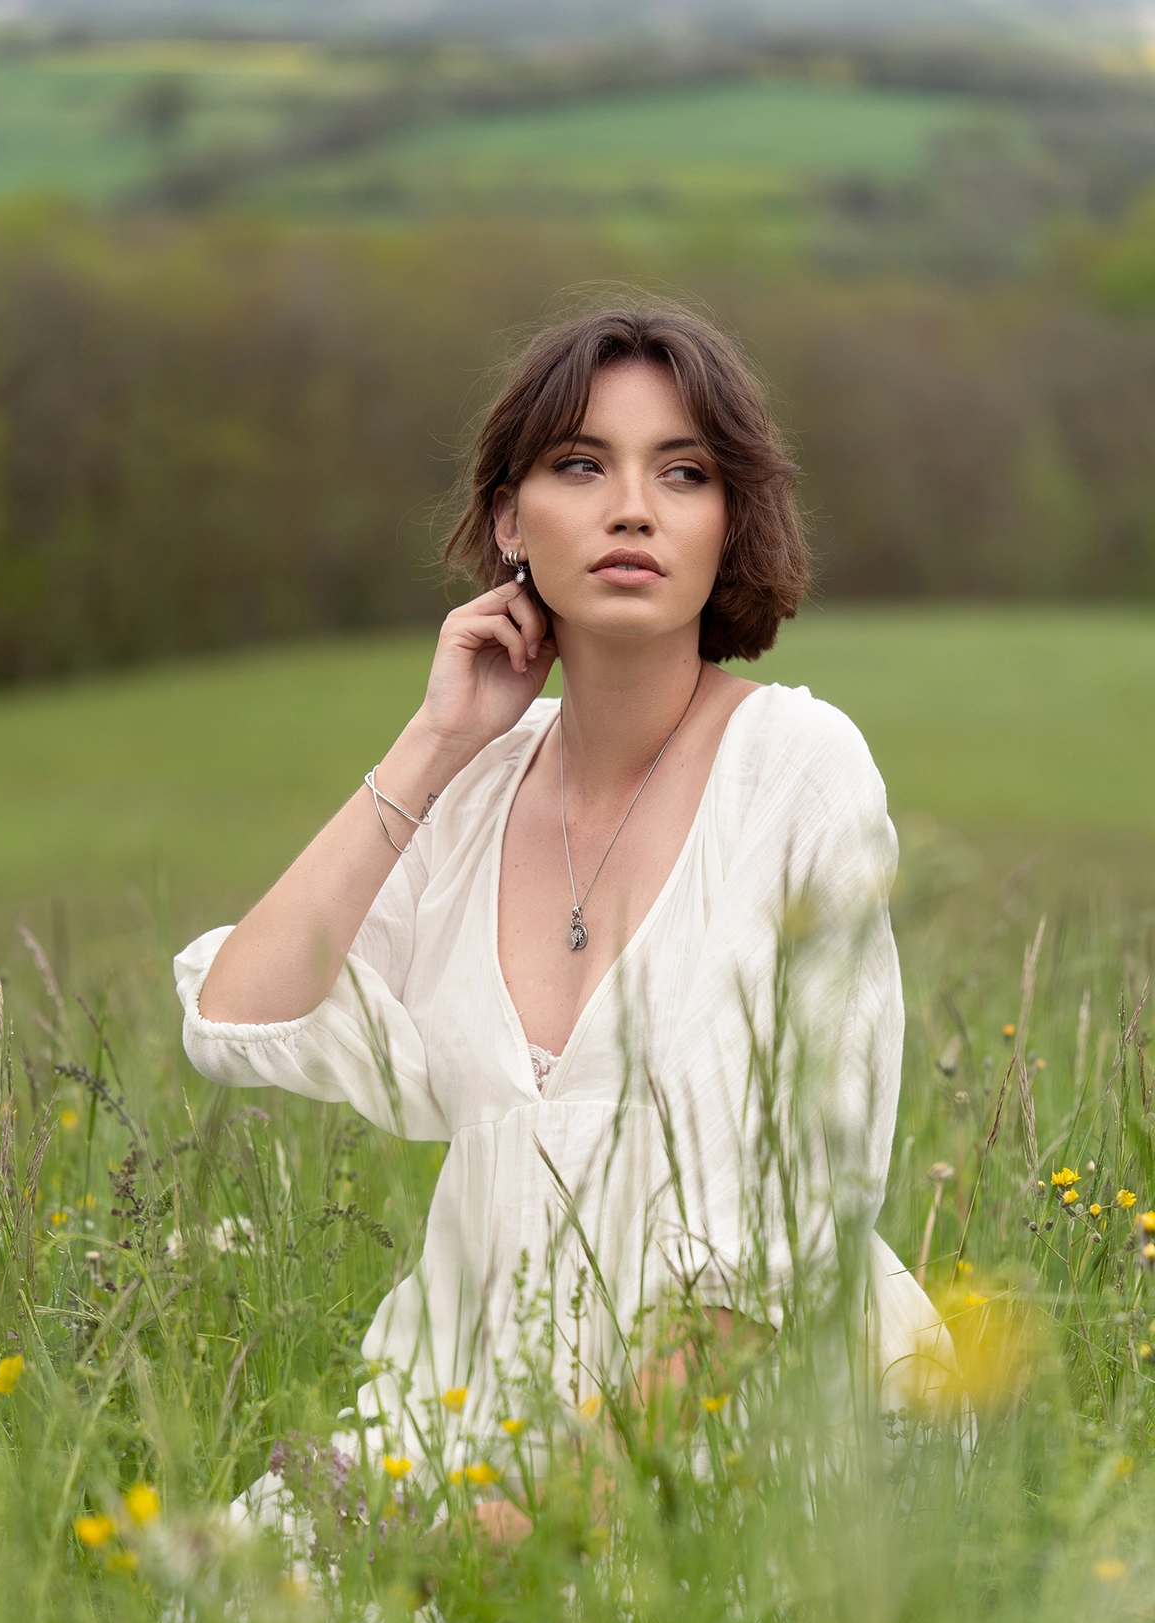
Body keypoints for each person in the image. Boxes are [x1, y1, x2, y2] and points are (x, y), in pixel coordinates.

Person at [174, 304, 954, 1535]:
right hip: (475, 1411)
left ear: (729, 522)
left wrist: (529, 1522)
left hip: (746, 1413)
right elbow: (237, 1019)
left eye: (683, 473)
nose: (632, 508)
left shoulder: (799, 771)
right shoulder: (473, 787)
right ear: (507, 519)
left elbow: (793, 1232)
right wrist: (435, 743)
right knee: (209, 1618)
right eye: (580, 465)